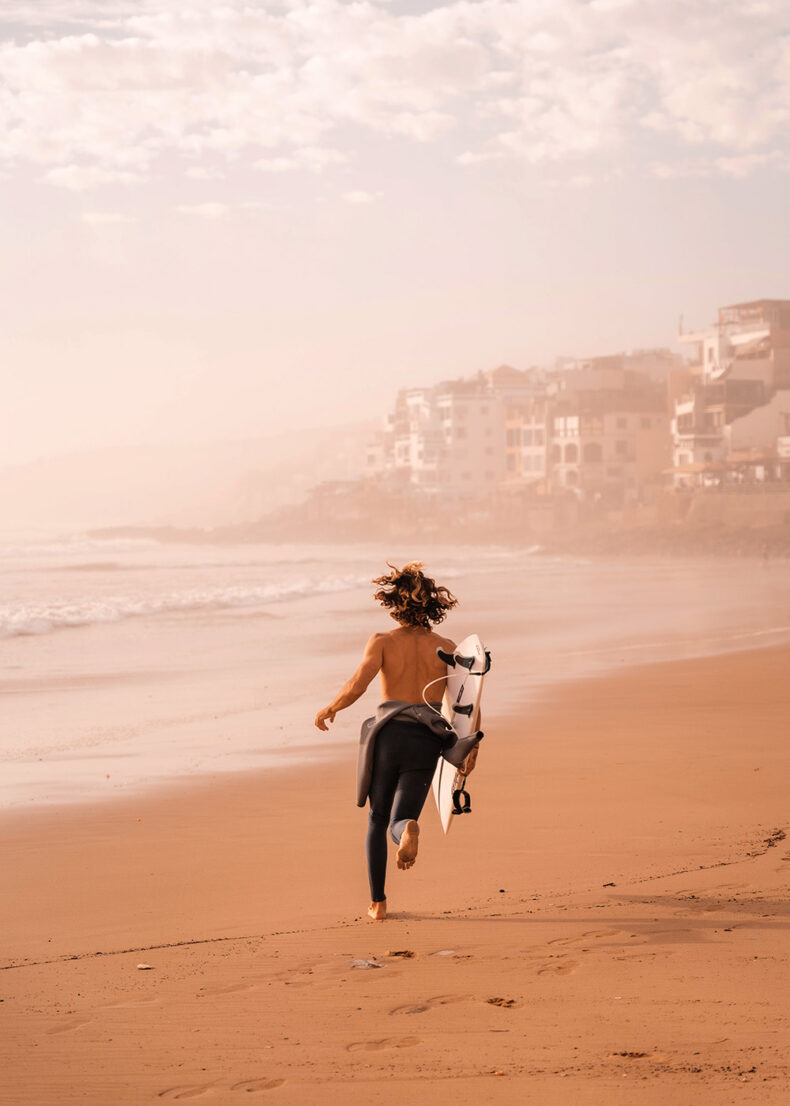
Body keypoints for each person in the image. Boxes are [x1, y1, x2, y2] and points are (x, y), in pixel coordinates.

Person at [314, 561, 479, 921]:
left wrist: (331, 707)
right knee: (400, 817)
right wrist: (472, 747)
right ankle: (407, 830)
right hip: (426, 740)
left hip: (388, 736)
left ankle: (379, 903)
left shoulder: (382, 642)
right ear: (434, 604)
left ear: (394, 603)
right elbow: (466, 703)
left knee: (376, 817)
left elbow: (359, 684)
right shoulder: (447, 647)